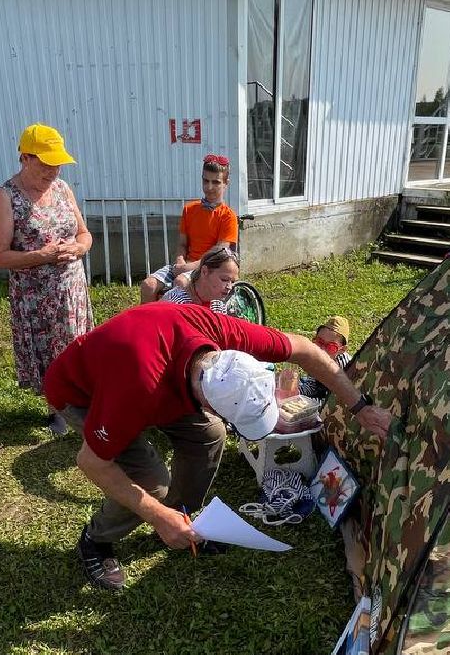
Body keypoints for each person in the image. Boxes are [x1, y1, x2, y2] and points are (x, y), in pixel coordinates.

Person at [43, 304, 392, 589]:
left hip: (160, 379)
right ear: (209, 404)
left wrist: (359, 406)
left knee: (209, 436)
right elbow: (91, 462)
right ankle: (96, 540)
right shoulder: (136, 390)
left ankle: (182, 520)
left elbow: (304, 348)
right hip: (82, 392)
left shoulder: (225, 335)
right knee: (150, 482)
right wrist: (156, 514)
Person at [0, 123, 95, 437]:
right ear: (25, 158)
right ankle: (56, 409)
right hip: (35, 295)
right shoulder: (7, 197)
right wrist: (42, 256)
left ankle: (81, 401)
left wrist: (79, 247)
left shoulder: (62, 189)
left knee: (76, 346)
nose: (53, 170)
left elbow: (85, 234)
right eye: (46, 163)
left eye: (57, 163)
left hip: (70, 288)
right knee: (49, 350)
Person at [139, 154, 239, 303]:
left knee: (180, 282)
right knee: (148, 285)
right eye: (205, 181)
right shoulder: (190, 209)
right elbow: (182, 244)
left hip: (207, 269)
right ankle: (146, 324)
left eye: (216, 182)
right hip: (184, 265)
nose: (209, 187)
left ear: (226, 183)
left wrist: (185, 268)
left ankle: (184, 322)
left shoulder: (228, 216)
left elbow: (217, 257)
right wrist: (180, 261)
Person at [157, 246, 238, 313]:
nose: (229, 287)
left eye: (233, 282)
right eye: (224, 279)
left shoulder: (218, 304)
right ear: (204, 271)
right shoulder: (177, 303)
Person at [299, 315, 354, 399]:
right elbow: (311, 387)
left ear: (342, 350)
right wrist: (294, 391)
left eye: (331, 347)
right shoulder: (315, 356)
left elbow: (335, 402)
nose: (322, 349)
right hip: (322, 389)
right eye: (319, 342)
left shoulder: (344, 368)